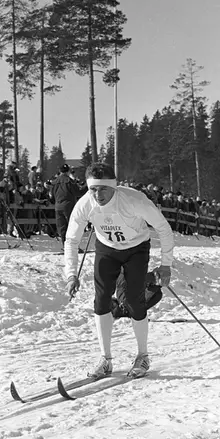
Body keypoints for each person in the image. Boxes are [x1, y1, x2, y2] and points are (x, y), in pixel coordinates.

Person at [64, 162, 174, 379]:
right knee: (101, 300)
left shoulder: (134, 200)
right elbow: (71, 239)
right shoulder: (85, 204)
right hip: (107, 248)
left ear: (114, 187)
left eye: (103, 189)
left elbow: (164, 228)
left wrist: (165, 265)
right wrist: (71, 274)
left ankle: (143, 355)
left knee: (133, 300)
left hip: (136, 248)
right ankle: (105, 359)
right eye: (93, 189)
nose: (98, 195)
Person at [51, 163, 80, 248]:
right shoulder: (69, 181)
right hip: (68, 205)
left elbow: (52, 195)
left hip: (58, 206)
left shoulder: (55, 182)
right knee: (72, 226)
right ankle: (72, 246)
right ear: (68, 171)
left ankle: (65, 246)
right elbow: (77, 192)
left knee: (62, 227)